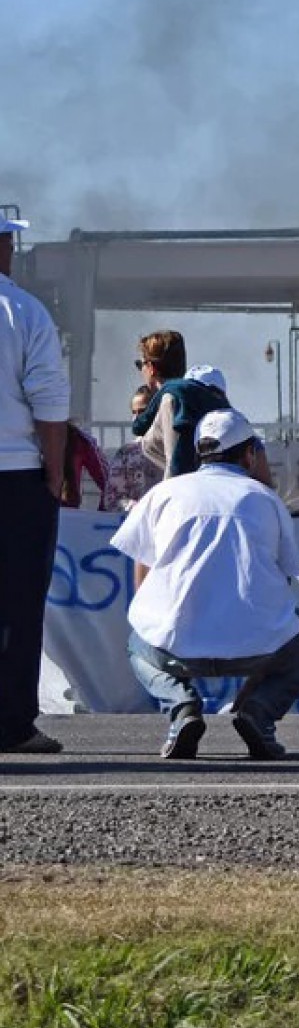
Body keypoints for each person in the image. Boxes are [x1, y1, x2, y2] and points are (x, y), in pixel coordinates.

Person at [112, 409, 299, 760]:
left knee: (135, 641)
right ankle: (259, 713)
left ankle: (182, 708)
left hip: (175, 645)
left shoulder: (165, 493)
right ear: (249, 453)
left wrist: (156, 623)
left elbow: (141, 565)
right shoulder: (265, 499)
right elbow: (285, 575)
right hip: (258, 647)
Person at [0, 214, 69, 754]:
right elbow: (48, 401)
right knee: (19, 605)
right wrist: (55, 469)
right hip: (17, 477)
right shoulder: (23, 310)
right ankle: (13, 724)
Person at [132, 330, 230, 476]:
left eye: (141, 364)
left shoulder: (170, 400)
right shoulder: (199, 395)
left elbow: (176, 462)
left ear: (151, 368)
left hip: (187, 488)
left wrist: (169, 496)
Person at [102, 386, 164, 511]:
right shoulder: (126, 453)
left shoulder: (173, 449)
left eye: (142, 411)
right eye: (133, 412)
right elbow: (112, 499)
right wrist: (137, 508)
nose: (136, 418)